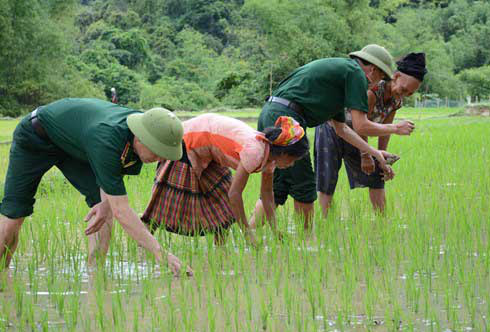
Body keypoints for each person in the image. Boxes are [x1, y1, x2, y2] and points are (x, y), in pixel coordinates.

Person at [0, 98, 190, 276]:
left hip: (77, 145)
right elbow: (122, 211)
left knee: (103, 208)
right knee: (14, 216)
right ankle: (3, 274)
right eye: (157, 152)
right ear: (140, 139)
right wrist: (161, 254)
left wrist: (106, 204)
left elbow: (115, 174)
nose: (160, 159)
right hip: (36, 136)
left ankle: (95, 275)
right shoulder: (107, 138)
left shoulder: (151, 127)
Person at [250, 44, 417, 230]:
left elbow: (342, 129)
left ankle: (249, 234)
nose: (378, 83)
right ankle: (307, 243)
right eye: (380, 77)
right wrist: (395, 128)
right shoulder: (355, 74)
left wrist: (375, 153)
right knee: (304, 186)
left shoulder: (340, 80)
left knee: (279, 188)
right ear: (372, 69)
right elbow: (361, 124)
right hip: (288, 118)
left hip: (272, 113)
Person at [140, 113, 309, 245]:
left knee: (223, 207)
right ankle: (142, 246)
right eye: (293, 160)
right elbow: (235, 194)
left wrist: (275, 230)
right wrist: (247, 233)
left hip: (212, 153)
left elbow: (267, 195)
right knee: (165, 204)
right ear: (284, 153)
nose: (291, 165)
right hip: (189, 143)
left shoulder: (269, 159)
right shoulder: (255, 151)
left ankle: (221, 252)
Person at [315, 52, 427, 215]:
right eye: (403, 89)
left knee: (377, 174)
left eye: (409, 93)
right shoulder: (373, 91)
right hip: (333, 127)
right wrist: (366, 155)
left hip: (357, 134)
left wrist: (383, 161)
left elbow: (385, 129)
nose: (404, 95)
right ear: (395, 77)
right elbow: (361, 125)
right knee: (328, 177)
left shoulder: (396, 100)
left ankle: (382, 221)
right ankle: (326, 221)